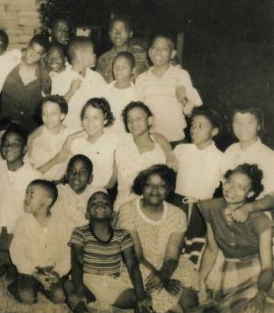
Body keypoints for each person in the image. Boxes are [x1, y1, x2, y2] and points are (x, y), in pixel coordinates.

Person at [184, 164, 274, 313]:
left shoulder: (260, 220)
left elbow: (268, 267)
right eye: (229, 182)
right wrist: (200, 282)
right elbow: (212, 248)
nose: (231, 190)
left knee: (253, 309)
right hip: (230, 272)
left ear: (251, 193)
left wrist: (260, 295)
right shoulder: (211, 207)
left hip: (260, 272)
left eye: (240, 187)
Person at [67, 191, 160, 313]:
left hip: (113, 283)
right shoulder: (80, 232)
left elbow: (132, 265)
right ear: (87, 214)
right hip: (88, 282)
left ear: (113, 214)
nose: (100, 204)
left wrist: (141, 293)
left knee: (141, 297)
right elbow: (77, 263)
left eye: (105, 203)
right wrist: (79, 290)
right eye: (94, 203)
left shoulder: (122, 234)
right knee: (69, 286)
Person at [117, 165, 198, 313]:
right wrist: (163, 280)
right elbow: (136, 257)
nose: (154, 190)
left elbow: (172, 257)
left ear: (168, 190)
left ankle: (192, 312)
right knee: (154, 286)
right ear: (142, 187)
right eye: (149, 185)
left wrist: (165, 274)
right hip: (137, 266)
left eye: (161, 186)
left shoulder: (178, 214)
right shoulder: (127, 210)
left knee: (186, 286)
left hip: (167, 265)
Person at [0, 125, 43, 279]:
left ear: (24, 149)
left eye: (15, 144)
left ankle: (13, 269)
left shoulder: (34, 176)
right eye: (5, 144)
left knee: (18, 270)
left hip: (18, 233)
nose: (9, 147)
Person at [171, 107, 224, 264]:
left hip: (201, 211)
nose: (194, 130)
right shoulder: (181, 149)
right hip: (176, 205)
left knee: (193, 252)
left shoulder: (221, 157)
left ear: (214, 131)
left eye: (201, 126)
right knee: (173, 247)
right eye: (193, 125)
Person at [8, 180, 70, 305]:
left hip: (50, 270)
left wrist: (57, 272)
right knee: (27, 299)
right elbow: (16, 253)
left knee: (60, 297)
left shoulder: (61, 223)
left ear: (47, 201)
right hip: (30, 270)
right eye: (26, 194)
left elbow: (67, 253)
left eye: (31, 195)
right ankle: (16, 285)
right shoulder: (23, 222)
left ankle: (42, 286)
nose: (26, 198)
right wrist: (34, 274)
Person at [135, 33, 202, 143]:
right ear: (149, 52)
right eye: (154, 47)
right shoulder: (141, 79)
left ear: (172, 54)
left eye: (164, 49)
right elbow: (138, 112)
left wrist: (184, 100)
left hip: (176, 138)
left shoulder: (182, 75)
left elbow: (196, 111)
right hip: (151, 140)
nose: (158, 51)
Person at [42, 98, 119, 191]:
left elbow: (112, 182)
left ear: (105, 119)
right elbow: (63, 168)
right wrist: (70, 138)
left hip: (102, 192)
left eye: (96, 118)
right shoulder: (77, 142)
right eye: (86, 117)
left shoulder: (114, 140)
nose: (90, 122)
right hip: (76, 190)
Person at [114, 102, 171, 210]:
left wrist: (170, 154)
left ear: (150, 120)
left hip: (151, 210)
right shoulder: (121, 144)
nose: (133, 123)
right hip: (122, 208)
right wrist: (70, 139)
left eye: (138, 118)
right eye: (129, 120)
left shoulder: (160, 151)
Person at [221, 107, 274, 221]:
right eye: (237, 122)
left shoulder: (269, 156)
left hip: (255, 215)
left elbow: (272, 197)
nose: (242, 127)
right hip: (227, 211)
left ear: (259, 126)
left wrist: (247, 209)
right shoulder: (231, 150)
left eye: (249, 123)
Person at [0, 34, 49, 134]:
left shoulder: (44, 78)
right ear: (28, 46)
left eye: (38, 53)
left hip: (29, 130)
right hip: (4, 127)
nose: (32, 55)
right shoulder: (10, 64)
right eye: (31, 49)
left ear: (43, 55)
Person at [61, 37, 108, 132]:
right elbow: (56, 108)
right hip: (69, 130)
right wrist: (71, 91)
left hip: (93, 131)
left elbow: (107, 101)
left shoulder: (96, 77)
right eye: (92, 52)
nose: (95, 55)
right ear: (82, 56)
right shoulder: (62, 78)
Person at [54, 155, 104, 232]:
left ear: (90, 178)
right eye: (72, 171)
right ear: (66, 175)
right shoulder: (59, 191)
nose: (76, 175)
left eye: (82, 172)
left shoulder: (97, 193)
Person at [26, 95, 70, 181]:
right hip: (40, 185)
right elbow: (29, 175)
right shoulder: (33, 140)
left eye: (53, 113)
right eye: (44, 113)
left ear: (62, 116)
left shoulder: (68, 134)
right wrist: (54, 161)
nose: (48, 117)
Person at [96, 16, 149, 82]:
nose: (117, 34)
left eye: (122, 30)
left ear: (130, 33)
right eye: (114, 30)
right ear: (109, 34)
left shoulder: (141, 55)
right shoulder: (103, 60)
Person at [104, 51, 142, 134]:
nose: (118, 70)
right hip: (107, 135)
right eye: (115, 67)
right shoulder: (105, 90)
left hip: (127, 136)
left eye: (124, 67)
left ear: (133, 70)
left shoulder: (137, 93)